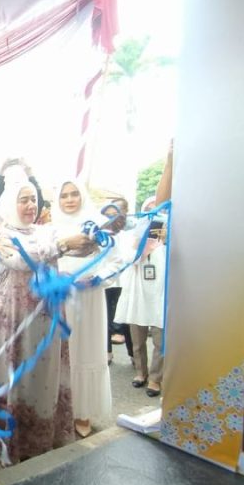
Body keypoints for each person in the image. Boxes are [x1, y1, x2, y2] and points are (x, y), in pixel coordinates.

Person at [0, 180, 96, 462]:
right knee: (18, 373)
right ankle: (14, 444)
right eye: (24, 200)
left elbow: (78, 248)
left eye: (34, 199)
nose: (31, 205)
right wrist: (62, 245)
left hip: (47, 316)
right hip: (15, 316)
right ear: (10, 203)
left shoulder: (47, 230)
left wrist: (94, 237)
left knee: (46, 372)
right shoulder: (0, 234)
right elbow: (19, 261)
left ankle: (46, 435)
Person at [52, 181, 119, 438]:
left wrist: (97, 278)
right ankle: (62, 409)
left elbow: (115, 261)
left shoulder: (97, 225)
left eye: (74, 194)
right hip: (60, 298)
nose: (69, 199)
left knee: (86, 350)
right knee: (62, 353)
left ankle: (84, 411)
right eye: (64, 194)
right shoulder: (51, 229)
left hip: (89, 299)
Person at [115, 198, 167, 398]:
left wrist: (163, 238)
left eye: (158, 211)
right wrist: (142, 243)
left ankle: (155, 378)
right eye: (149, 211)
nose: (153, 215)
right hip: (138, 294)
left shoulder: (170, 238)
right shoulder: (133, 237)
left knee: (160, 341)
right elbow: (128, 259)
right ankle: (140, 372)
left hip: (160, 294)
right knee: (137, 338)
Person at [104, 197, 133, 364]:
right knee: (106, 317)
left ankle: (133, 354)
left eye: (118, 211)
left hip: (127, 282)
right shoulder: (103, 231)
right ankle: (107, 351)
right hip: (108, 283)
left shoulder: (132, 231)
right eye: (110, 212)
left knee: (127, 318)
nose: (114, 215)